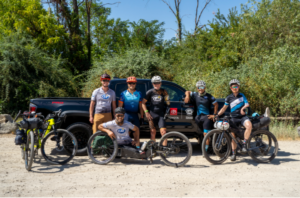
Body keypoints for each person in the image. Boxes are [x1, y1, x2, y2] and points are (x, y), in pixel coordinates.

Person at [216, 79, 252, 161]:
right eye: (233, 87)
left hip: (242, 117)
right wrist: (217, 115)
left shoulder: (242, 95)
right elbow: (224, 108)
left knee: (249, 125)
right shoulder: (228, 98)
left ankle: (244, 144)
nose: (235, 88)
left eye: (236, 86)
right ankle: (233, 154)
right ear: (231, 88)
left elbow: (247, 104)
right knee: (233, 136)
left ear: (238, 87)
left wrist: (243, 108)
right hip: (234, 118)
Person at [184, 80, 218, 153]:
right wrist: (187, 95)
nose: (200, 89)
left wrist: (214, 115)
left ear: (205, 87)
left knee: (206, 134)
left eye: (202, 87)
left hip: (207, 117)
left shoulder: (209, 96)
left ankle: (205, 150)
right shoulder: (195, 94)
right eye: (199, 87)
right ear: (197, 88)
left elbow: (216, 104)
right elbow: (187, 92)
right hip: (198, 118)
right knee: (202, 134)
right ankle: (207, 146)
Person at [142, 76, 170, 146]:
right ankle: (153, 150)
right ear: (152, 84)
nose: (156, 84)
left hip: (161, 114)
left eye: (158, 83)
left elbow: (168, 103)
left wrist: (167, 110)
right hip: (152, 114)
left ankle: (164, 151)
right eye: (155, 83)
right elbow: (143, 103)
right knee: (152, 132)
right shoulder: (150, 92)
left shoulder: (164, 91)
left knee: (163, 132)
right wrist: (146, 112)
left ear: (160, 83)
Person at [118, 76, 143, 149]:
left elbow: (141, 106)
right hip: (126, 115)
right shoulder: (123, 94)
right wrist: (120, 117)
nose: (131, 85)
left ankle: (138, 149)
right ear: (127, 84)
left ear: (135, 84)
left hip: (135, 115)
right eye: (130, 83)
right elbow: (120, 107)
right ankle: (126, 149)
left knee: (136, 133)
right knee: (126, 133)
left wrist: (142, 117)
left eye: (133, 83)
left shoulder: (139, 93)